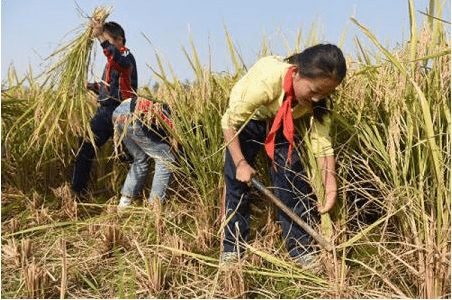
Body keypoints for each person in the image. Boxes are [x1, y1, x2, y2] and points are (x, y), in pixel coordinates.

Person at [220, 44, 347, 265]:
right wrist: (240, 163)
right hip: (247, 120)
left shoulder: (319, 101)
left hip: (281, 121)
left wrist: (330, 185)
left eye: (326, 93)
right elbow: (229, 122)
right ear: (296, 72)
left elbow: (322, 144)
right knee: (236, 182)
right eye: (314, 91)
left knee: (291, 179)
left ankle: (299, 248)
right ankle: (232, 248)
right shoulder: (266, 81)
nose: (318, 98)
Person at [72, 20, 138, 195]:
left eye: (108, 40)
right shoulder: (113, 61)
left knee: (128, 155)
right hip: (106, 110)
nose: (105, 45)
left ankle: (130, 194)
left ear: (119, 40)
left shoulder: (125, 56)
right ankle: (79, 193)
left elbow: (114, 57)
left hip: (119, 111)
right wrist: (91, 86)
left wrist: (100, 35)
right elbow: (110, 87)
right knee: (85, 147)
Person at [112, 96, 176, 208]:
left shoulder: (158, 104)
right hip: (134, 113)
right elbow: (173, 129)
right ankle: (155, 206)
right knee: (165, 159)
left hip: (117, 114)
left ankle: (124, 204)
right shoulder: (165, 111)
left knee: (140, 159)